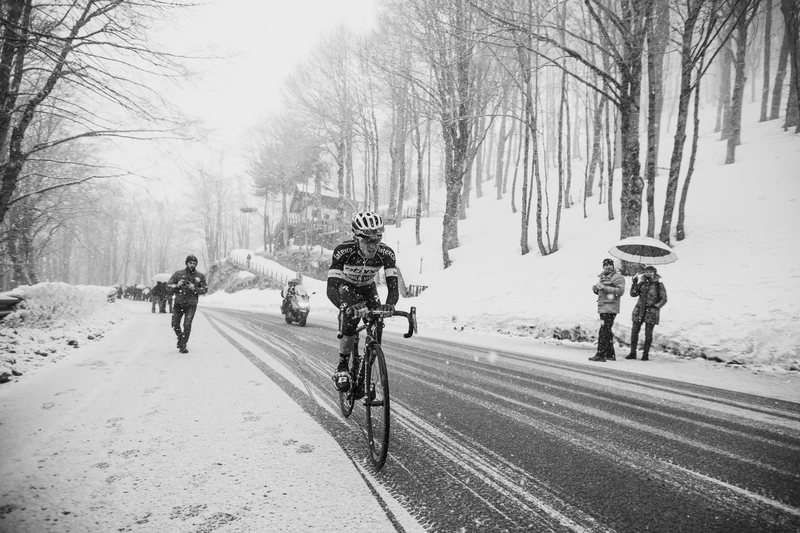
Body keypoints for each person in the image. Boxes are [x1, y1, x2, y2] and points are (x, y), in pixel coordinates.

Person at [327, 212, 398, 392]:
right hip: (346, 288)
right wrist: (346, 307)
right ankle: (342, 366)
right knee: (350, 321)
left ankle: (367, 366)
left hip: (368, 288)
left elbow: (393, 288)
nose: (373, 245)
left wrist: (390, 305)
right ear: (356, 237)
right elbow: (331, 289)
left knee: (376, 322)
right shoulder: (343, 251)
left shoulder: (386, 253)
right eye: (368, 240)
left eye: (377, 238)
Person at [167, 254, 208, 354]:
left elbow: (205, 289)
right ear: (186, 263)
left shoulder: (200, 276)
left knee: (187, 324)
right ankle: (180, 337)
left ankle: (183, 345)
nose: (192, 265)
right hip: (178, 303)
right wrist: (177, 285)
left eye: (194, 263)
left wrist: (195, 288)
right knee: (174, 324)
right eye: (190, 263)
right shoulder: (178, 274)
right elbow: (168, 286)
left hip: (191, 304)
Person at [626, 265, 668, 361]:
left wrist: (656, 306)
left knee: (648, 334)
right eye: (647, 271)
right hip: (639, 310)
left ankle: (645, 354)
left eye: (651, 271)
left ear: (654, 273)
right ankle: (632, 353)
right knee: (634, 332)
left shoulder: (658, 285)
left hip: (651, 312)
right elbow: (633, 294)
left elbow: (664, 299)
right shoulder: (641, 283)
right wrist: (634, 283)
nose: (648, 273)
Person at [589, 258, 626, 362]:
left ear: (613, 266)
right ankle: (610, 354)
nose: (608, 266)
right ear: (603, 267)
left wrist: (604, 288)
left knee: (604, 330)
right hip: (603, 307)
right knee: (607, 330)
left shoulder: (618, 277)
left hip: (611, 307)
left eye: (610, 264)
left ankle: (601, 354)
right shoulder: (602, 277)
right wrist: (596, 290)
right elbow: (602, 292)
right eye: (605, 265)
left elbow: (620, 291)